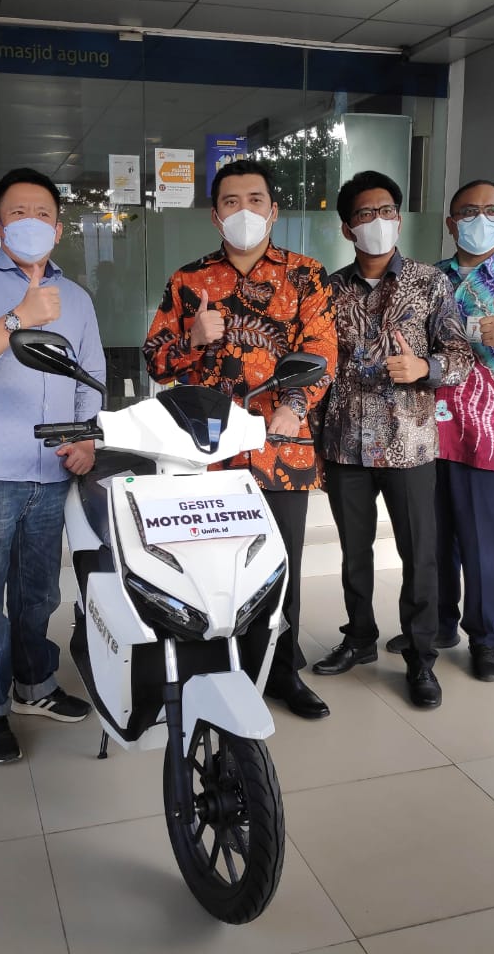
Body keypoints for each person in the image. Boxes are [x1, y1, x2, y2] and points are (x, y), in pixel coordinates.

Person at [143, 159, 337, 720]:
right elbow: (155, 361)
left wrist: (295, 406)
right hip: (207, 454)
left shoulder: (306, 275)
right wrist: (193, 340)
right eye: (232, 202)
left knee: (279, 565)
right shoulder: (187, 281)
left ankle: (282, 671)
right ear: (215, 215)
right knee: (210, 567)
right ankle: (215, 669)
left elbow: (322, 351)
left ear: (273, 211)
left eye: (256, 200)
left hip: (280, 449)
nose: (244, 211)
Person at [0, 167, 103, 764]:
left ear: (58, 229)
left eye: (42, 215)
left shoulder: (77, 299)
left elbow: (91, 377)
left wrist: (85, 440)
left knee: (38, 595)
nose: (30, 223)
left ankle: (34, 685)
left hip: (51, 471)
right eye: (18, 213)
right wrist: (19, 317)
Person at [310, 171, 473, 709]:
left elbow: (461, 357)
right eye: (365, 214)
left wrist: (424, 367)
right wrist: (313, 442)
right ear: (347, 227)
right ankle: (359, 638)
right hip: (345, 446)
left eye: (386, 211)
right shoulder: (328, 290)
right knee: (354, 553)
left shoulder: (430, 283)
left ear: (399, 220)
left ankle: (421, 657)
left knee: (419, 555)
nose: (377, 221)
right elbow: (317, 369)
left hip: (409, 445)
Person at [391, 179, 494, 682]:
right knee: (431, 543)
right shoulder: (426, 279)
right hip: (425, 434)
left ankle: (485, 639)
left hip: (490, 437)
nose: (479, 219)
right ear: (451, 223)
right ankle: (437, 624)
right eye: (469, 211)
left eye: (491, 211)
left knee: (484, 547)